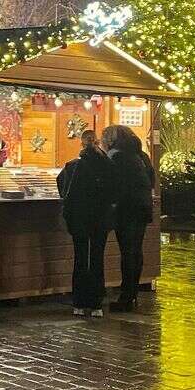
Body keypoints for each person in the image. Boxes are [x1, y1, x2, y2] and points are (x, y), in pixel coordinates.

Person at [56, 128, 114, 317]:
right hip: (101, 218)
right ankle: (96, 304)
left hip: (79, 218)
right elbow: (115, 191)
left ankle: (79, 303)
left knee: (80, 258)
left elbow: (62, 186)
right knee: (97, 258)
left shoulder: (73, 166)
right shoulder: (108, 166)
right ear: (97, 144)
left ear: (82, 144)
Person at [105, 125, 152, 312]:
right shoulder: (141, 156)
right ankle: (132, 293)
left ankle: (126, 297)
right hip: (142, 208)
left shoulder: (116, 157)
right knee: (135, 251)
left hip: (126, 210)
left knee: (128, 252)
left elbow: (113, 184)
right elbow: (151, 180)